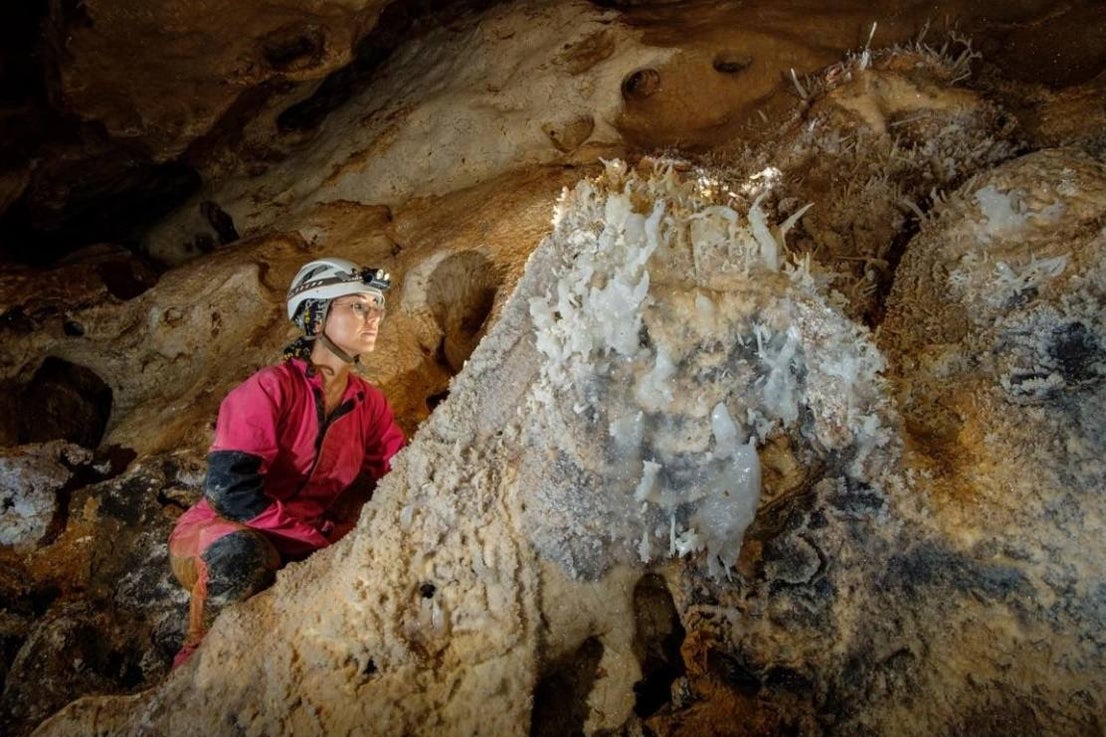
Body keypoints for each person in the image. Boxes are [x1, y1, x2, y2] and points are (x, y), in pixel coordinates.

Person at [167, 257, 406, 668]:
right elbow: (231, 494)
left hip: (303, 537)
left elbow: (403, 469)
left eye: (376, 307)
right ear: (315, 318)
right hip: (223, 532)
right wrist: (311, 540)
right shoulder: (269, 389)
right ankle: (195, 667)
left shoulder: (369, 403)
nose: (373, 318)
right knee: (245, 555)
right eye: (357, 306)